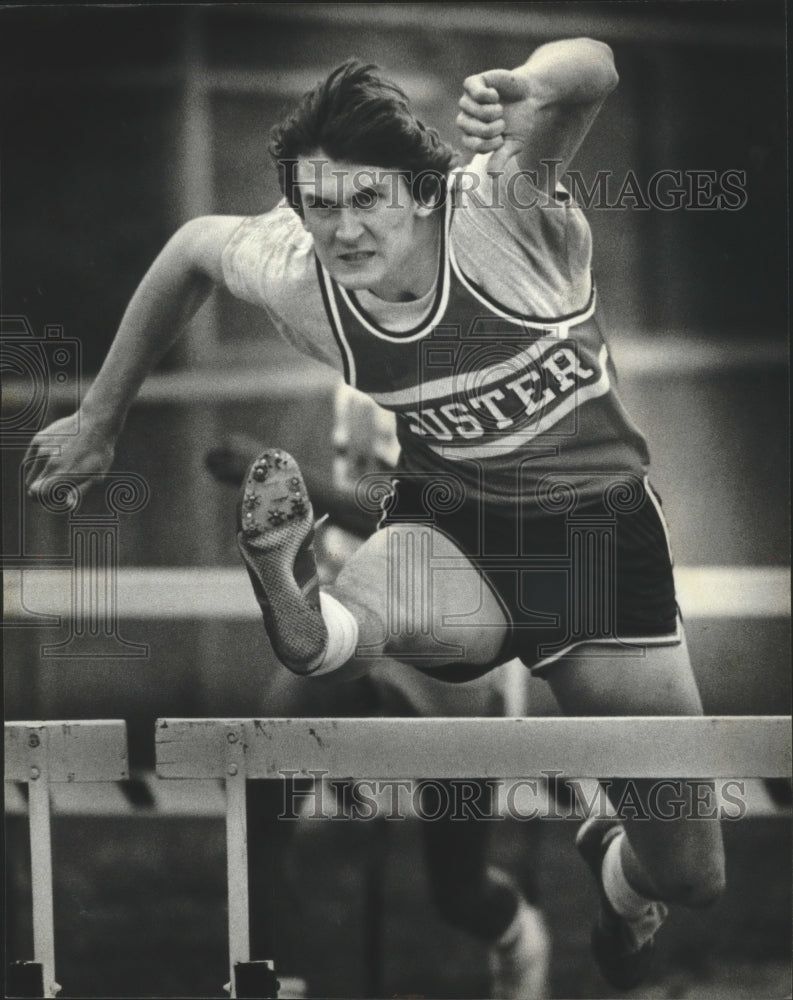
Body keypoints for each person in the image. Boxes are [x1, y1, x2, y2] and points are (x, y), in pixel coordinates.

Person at [25, 39, 726, 993]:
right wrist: (100, 420)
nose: (344, 230)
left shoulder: (499, 210)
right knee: (355, 623)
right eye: (320, 206)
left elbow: (595, 67)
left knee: (691, 874)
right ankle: (309, 617)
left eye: (366, 200)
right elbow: (191, 248)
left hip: (597, 547)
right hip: (453, 528)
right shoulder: (297, 270)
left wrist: (531, 84)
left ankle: (615, 871)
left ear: (424, 193)